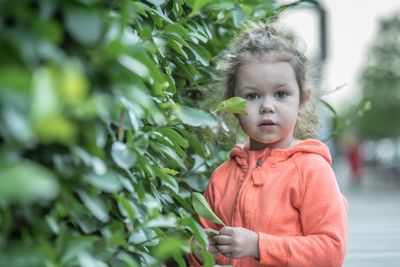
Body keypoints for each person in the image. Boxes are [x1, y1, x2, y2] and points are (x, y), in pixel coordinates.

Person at [188, 21, 348, 267]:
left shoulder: (312, 170)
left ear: (302, 100)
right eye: (252, 96)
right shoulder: (222, 178)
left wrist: (258, 246)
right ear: (232, 106)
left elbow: (330, 251)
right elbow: (210, 249)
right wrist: (197, 252)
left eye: (281, 94)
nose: (267, 106)